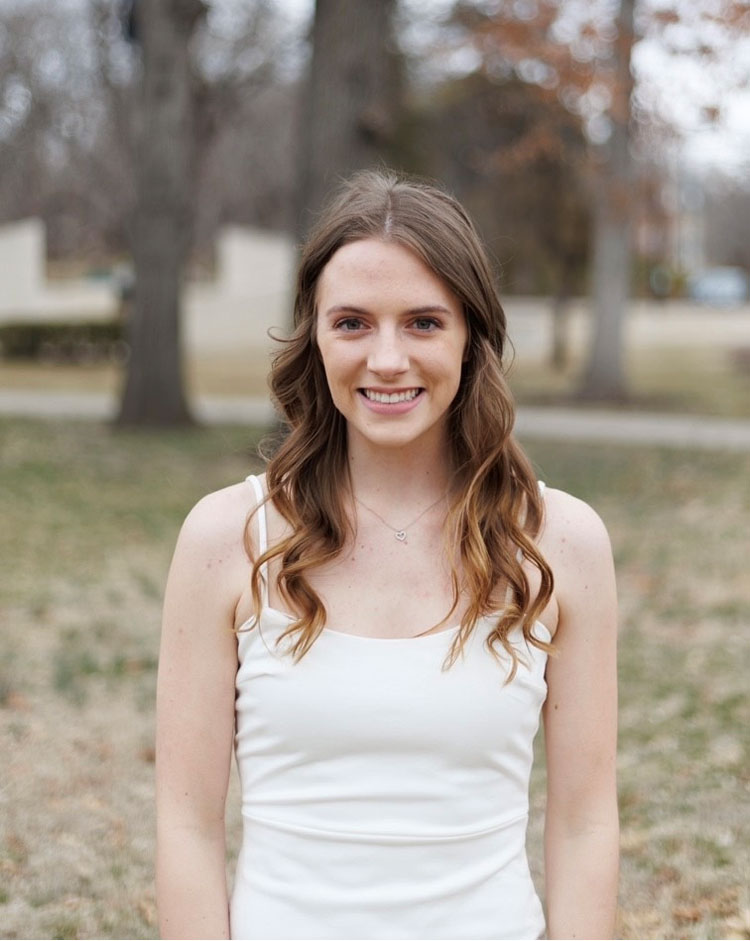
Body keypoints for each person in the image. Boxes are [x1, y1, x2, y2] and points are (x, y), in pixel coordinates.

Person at [155, 170, 619, 940]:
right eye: (353, 323)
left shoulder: (561, 543)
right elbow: (186, 826)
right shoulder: (226, 539)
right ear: (316, 337)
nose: (388, 359)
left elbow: (584, 824)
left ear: (471, 336)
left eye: (424, 323)